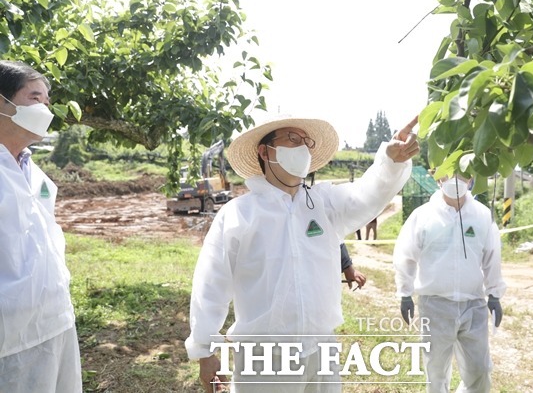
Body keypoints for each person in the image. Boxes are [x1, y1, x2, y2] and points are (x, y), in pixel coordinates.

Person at [185, 114, 419, 392]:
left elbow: (366, 196)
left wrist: (390, 162)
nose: (302, 149)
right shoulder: (239, 214)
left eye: (306, 142)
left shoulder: (322, 203)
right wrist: (204, 350)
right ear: (265, 151)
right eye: (292, 140)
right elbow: (211, 285)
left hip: (321, 349)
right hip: (265, 358)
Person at [0, 61, 81, 392]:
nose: (45, 109)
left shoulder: (37, 174)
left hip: (56, 320)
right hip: (10, 337)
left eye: (47, 102)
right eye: (35, 98)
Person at [393, 173, 506, 393]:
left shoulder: (482, 215)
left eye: (462, 173)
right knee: (436, 373)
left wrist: (494, 293)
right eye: (448, 172)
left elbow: (493, 256)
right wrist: (405, 293)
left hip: (473, 305)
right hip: (434, 305)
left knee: (480, 370)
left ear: (472, 177)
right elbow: (405, 255)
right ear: (437, 177)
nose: (455, 179)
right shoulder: (423, 215)